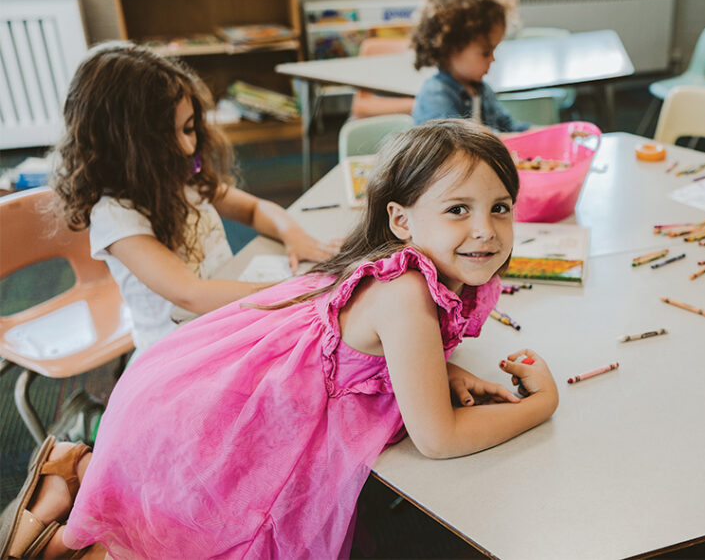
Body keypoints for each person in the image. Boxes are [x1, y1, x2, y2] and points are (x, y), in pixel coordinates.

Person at [5, 119, 559, 559]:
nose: (486, 230)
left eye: (500, 208)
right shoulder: (405, 292)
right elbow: (438, 439)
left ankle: (70, 497)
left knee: (147, 516)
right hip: (222, 429)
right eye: (459, 209)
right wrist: (541, 405)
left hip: (217, 399)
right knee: (183, 534)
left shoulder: (414, 272)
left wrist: (432, 369)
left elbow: (375, 353)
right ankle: (60, 520)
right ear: (402, 221)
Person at [51, 42, 338, 354]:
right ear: (121, 147)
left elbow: (255, 209)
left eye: (189, 129)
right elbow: (190, 294)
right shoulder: (115, 216)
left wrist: (292, 234)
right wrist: (294, 290)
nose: (188, 148)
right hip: (180, 348)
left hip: (222, 317)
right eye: (166, 139)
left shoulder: (181, 178)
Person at [411, 0, 532, 134]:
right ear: (451, 49)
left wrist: (545, 132)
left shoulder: (484, 91)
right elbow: (458, 142)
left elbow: (510, 127)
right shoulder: (435, 95)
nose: (492, 59)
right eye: (485, 52)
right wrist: (504, 139)